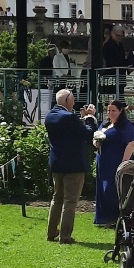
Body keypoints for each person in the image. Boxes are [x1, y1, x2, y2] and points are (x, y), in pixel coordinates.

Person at [45, 88, 92, 244]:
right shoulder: (69, 117)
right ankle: (65, 236)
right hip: (73, 165)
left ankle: (51, 232)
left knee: (56, 198)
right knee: (70, 201)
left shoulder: (50, 115)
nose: (75, 101)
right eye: (73, 99)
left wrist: (81, 118)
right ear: (67, 101)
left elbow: (71, 130)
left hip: (57, 163)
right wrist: (90, 118)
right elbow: (87, 134)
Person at [92, 100, 134, 227]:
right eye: (109, 110)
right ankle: (103, 218)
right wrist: (96, 142)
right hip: (103, 162)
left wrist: (124, 163)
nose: (110, 113)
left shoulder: (126, 126)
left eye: (113, 110)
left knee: (113, 189)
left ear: (120, 111)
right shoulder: (105, 124)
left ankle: (115, 218)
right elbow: (96, 139)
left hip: (117, 161)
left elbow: (131, 144)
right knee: (103, 188)